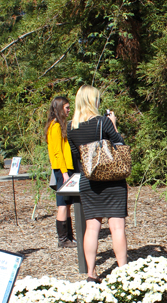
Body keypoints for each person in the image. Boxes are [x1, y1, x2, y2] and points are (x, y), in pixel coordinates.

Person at [67, 85, 127, 282]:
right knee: (116, 227)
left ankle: (91, 273)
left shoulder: (70, 127)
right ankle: (123, 272)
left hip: (88, 179)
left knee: (91, 228)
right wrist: (114, 124)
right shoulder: (103, 122)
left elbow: (77, 157)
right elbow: (120, 146)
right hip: (111, 179)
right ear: (94, 101)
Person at [44, 96, 76, 248]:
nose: (69, 110)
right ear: (59, 108)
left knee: (68, 203)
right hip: (61, 169)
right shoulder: (55, 126)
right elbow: (57, 152)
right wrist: (64, 173)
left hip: (66, 168)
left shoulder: (60, 125)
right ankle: (63, 240)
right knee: (62, 204)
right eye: (67, 108)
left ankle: (69, 236)